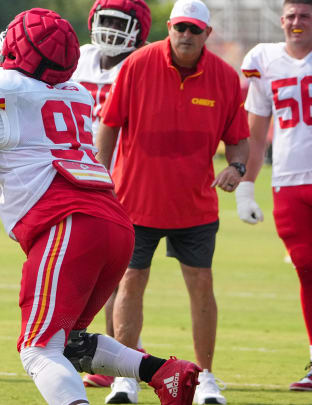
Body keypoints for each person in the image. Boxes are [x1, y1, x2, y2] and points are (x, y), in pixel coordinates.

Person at [0, 7, 201, 405]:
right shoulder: (76, 94)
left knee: (38, 349)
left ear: (16, 48)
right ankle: (164, 373)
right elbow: (24, 148)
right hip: (113, 223)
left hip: (67, 225)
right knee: (68, 343)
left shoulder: (3, 90)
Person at [95, 0, 250, 403]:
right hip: (134, 199)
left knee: (201, 285)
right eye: (180, 27)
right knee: (130, 281)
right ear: (169, 27)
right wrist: (99, 180)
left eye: (194, 30)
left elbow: (239, 138)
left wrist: (236, 167)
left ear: (207, 35)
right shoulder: (137, 65)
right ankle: (125, 377)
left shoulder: (225, 78)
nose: (186, 35)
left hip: (195, 205)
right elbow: (109, 126)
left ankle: (206, 378)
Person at [71, 0, 151, 389]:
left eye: (120, 22)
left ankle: (116, 357)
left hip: (122, 178)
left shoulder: (142, 65)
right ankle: (114, 354)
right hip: (73, 175)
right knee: (93, 272)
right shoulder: (79, 58)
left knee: (114, 275)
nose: (110, 29)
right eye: (104, 20)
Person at [237, 0, 312, 392]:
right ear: (281, 20)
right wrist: (247, 185)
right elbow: (256, 126)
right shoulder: (264, 60)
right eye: (291, 16)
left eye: (305, 16)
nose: (297, 23)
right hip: (287, 180)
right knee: (306, 270)